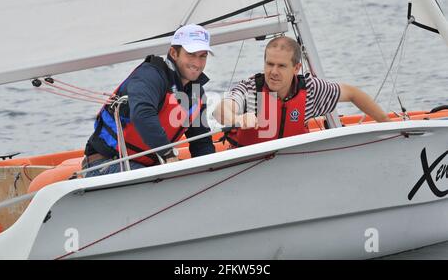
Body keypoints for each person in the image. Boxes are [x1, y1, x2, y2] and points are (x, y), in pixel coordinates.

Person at [83, 24, 215, 176]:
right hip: (106, 163)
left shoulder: (195, 93)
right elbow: (142, 115)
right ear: (174, 53)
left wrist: (211, 171)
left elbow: (201, 142)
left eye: (202, 56)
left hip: (146, 166)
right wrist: (168, 155)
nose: (197, 63)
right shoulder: (150, 76)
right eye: (191, 54)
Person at [213, 36, 391, 147]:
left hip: (293, 167)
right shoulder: (251, 89)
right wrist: (238, 118)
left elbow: (352, 93)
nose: (273, 72)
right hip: (249, 168)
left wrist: (388, 126)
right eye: (269, 64)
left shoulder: (311, 90)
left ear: (296, 68)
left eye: (281, 66)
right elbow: (220, 110)